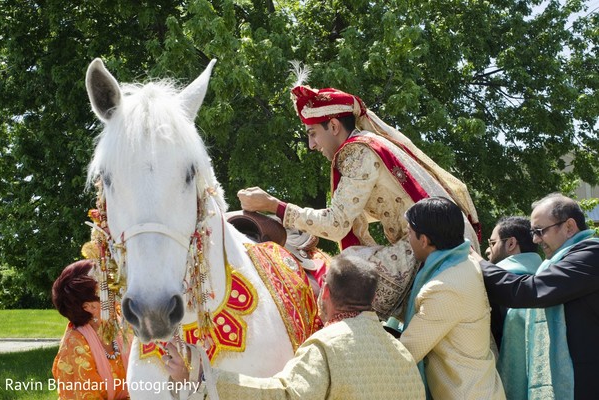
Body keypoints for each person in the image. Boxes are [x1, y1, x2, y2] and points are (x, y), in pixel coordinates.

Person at [238, 71, 481, 320]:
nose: (311, 145)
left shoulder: (357, 153)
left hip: (430, 244)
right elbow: (352, 217)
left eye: (312, 134)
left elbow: (336, 224)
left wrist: (274, 206)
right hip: (436, 241)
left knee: (348, 271)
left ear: (333, 126)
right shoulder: (367, 144)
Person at [164, 254, 426, 399]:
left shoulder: (327, 346)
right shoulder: (399, 350)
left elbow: (285, 396)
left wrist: (200, 375)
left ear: (324, 294)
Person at [474, 193, 599, 399]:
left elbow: (528, 291)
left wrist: (478, 263)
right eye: (533, 232)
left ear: (569, 227)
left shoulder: (590, 255)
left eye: (540, 231)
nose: (535, 239)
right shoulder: (563, 260)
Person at [399, 197, 505, 400]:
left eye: (409, 233)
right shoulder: (464, 263)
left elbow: (407, 351)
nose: (408, 240)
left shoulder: (444, 288)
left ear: (424, 240)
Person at [52, 260, 130, 400]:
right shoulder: (75, 347)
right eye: (108, 289)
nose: (117, 291)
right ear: (89, 307)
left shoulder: (121, 322)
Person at [485, 216, 542, 347]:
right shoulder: (547, 280)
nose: (488, 250)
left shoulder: (493, 285)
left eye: (492, 243)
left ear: (511, 243)